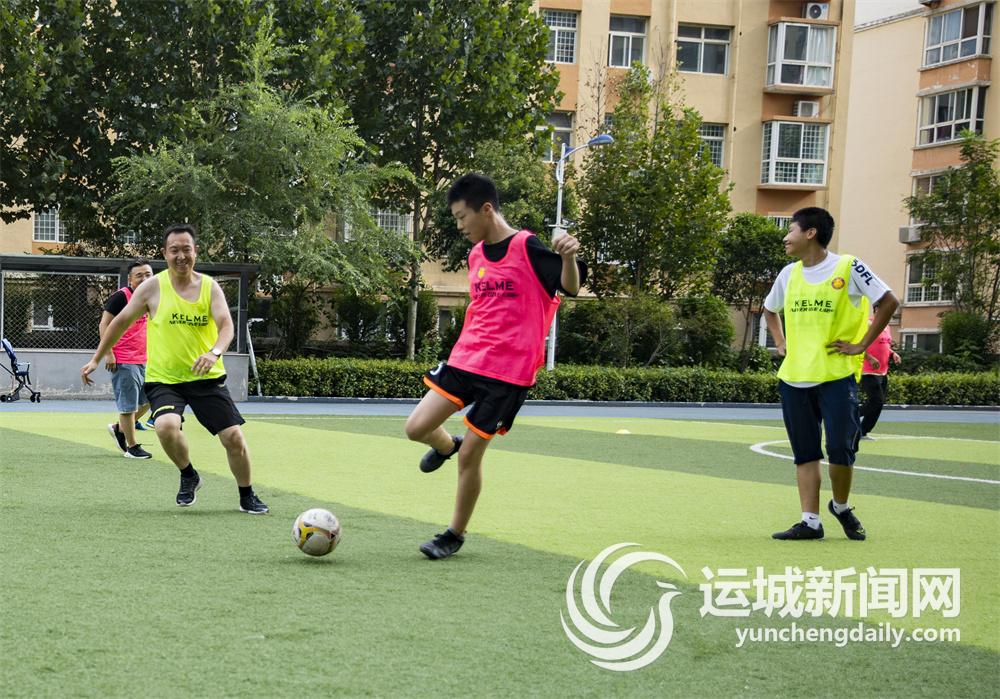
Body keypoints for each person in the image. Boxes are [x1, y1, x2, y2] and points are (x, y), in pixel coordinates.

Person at [404, 173, 587, 559]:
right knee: (416, 427)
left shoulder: (527, 247)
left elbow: (569, 287)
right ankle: (446, 445)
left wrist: (569, 257)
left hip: (508, 374)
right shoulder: (476, 256)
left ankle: (453, 534)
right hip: (467, 358)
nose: (459, 226)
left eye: (462, 217)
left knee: (472, 455)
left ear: (486, 209)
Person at [81, 223, 268, 514]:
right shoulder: (152, 288)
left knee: (233, 438)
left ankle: (247, 495)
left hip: (206, 378)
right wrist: (97, 358)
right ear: (165, 253)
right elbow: (119, 322)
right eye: (174, 250)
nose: (181, 256)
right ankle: (188, 474)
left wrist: (214, 352)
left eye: (186, 249)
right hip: (165, 379)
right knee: (165, 427)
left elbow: (226, 326)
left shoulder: (209, 287)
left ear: (196, 251)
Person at [763, 207, 899, 542]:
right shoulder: (788, 274)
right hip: (794, 378)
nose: (785, 237)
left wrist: (862, 345)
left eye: (790, 230)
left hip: (836, 377)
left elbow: (888, 301)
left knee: (840, 449)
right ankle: (810, 521)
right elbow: (769, 309)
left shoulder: (849, 267)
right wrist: (780, 341)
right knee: (805, 452)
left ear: (810, 233)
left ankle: (840, 506)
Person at [101, 259, 154, 459]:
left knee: (150, 400)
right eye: (139, 275)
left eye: (148, 274)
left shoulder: (152, 298)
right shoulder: (121, 297)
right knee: (128, 405)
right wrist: (108, 353)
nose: (144, 279)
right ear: (130, 279)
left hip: (145, 359)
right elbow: (104, 324)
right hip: (123, 359)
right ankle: (132, 447)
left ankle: (119, 428)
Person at [859, 308, 901, 441]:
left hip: (883, 372)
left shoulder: (887, 326)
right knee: (876, 400)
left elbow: (885, 345)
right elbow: (857, 344)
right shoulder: (867, 324)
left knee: (879, 403)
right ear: (876, 310)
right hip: (868, 371)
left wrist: (893, 353)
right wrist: (870, 358)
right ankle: (849, 416)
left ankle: (862, 432)